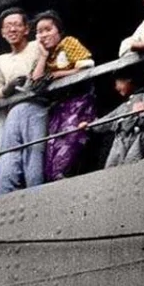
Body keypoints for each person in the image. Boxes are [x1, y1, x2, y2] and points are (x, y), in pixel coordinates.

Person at [30, 11, 96, 182]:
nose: (43, 35)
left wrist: (58, 75)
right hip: (57, 111)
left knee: (65, 155)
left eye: (48, 29)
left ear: (58, 31)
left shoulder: (68, 42)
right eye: (39, 31)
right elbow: (35, 82)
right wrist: (43, 56)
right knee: (50, 157)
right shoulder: (42, 56)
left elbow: (87, 65)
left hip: (79, 104)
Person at [0, 8, 46, 195]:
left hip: (37, 106)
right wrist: (9, 87)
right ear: (2, 32)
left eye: (16, 25)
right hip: (13, 111)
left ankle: (35, 193)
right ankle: (5, 194)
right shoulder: (0, 61)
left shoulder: (36, 46)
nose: (12, 29)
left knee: (34, 154)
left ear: (26, 29)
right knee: (8, 159)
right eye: (7, 26)